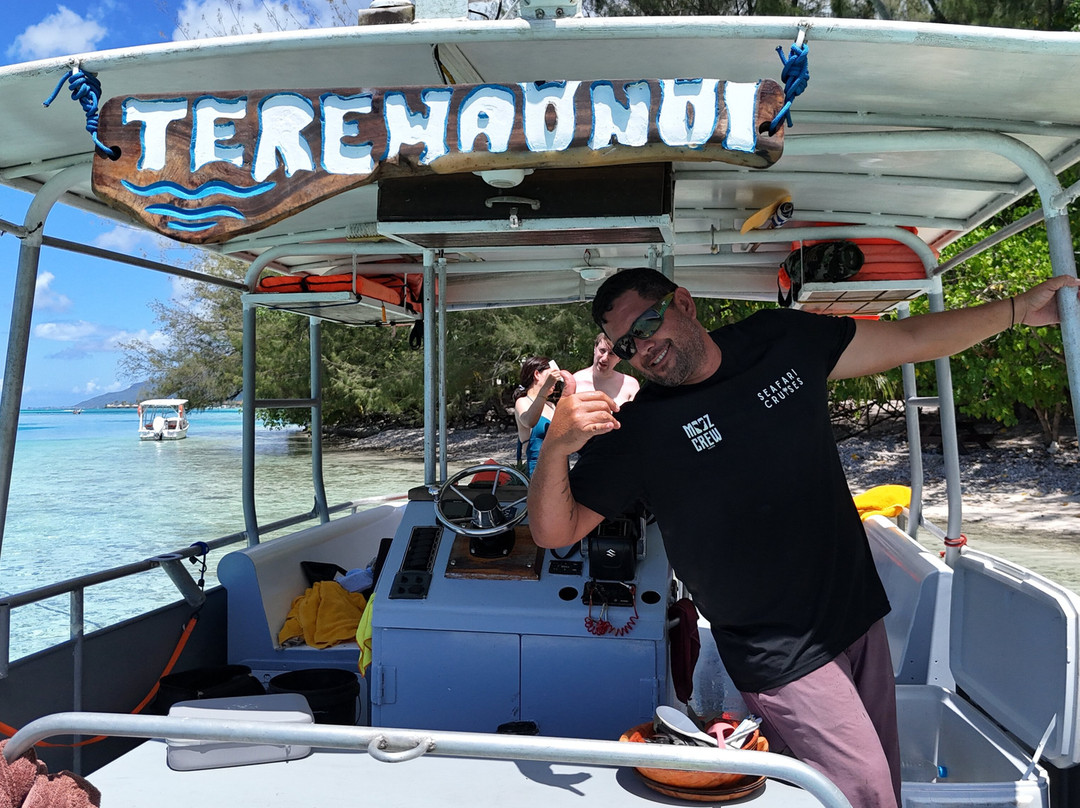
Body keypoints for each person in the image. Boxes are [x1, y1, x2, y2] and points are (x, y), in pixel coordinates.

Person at [527, 266, 1080, 808]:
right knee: (868, 794)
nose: (642, 349)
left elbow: (912, 338)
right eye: (626, 345)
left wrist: (1015, 309)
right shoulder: (643, 429)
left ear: (684, 304)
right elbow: (556, 530)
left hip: (855, 610)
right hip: (776, 648)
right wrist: (556, 448)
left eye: (646, 326)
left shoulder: (782, 340)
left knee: (872, 778)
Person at [513, 356, 561, 475]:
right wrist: (544, 389)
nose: (554, 381)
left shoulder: (551, 405)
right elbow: (530, 421)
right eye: (551, 376)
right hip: (538, 470)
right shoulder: (522, 402)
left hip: (560, 465)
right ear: (537, 374)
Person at [572, 333, 640, 405]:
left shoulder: (630, 385)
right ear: (595, 348)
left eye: (611, 354)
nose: (604, 358)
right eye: (602, 350)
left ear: (619, 358)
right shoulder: (575, 381)